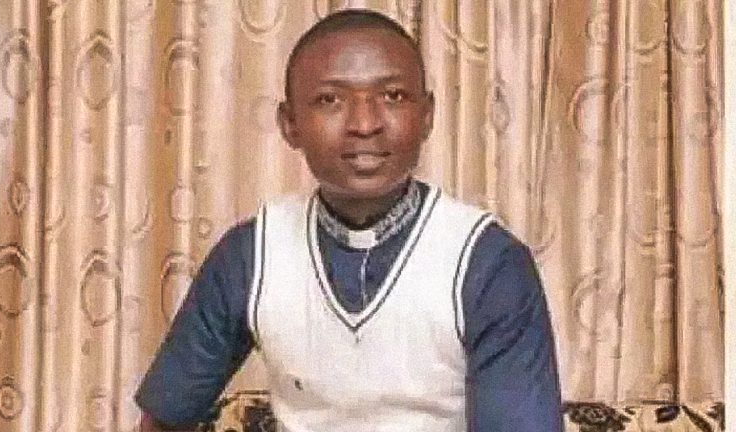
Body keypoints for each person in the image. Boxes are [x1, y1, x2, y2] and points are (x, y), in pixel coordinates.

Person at [136, 8, 563, 432]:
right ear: (290, 124)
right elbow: (165, 418)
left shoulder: (488, 262)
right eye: (330, 100)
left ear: (427, 116)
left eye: (393, 96)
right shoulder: (251, 255)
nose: (365, 124)